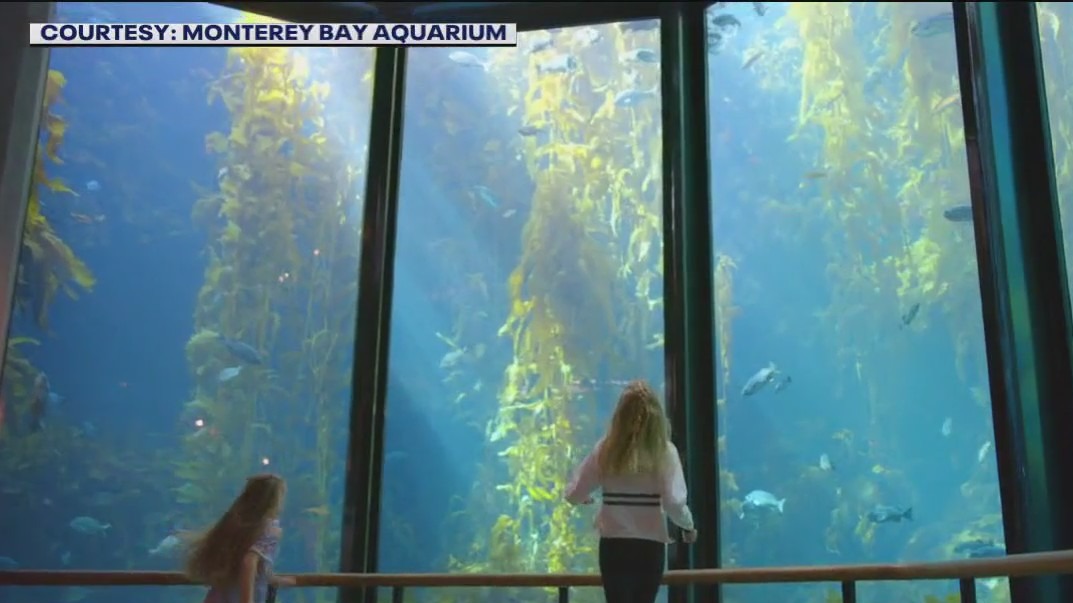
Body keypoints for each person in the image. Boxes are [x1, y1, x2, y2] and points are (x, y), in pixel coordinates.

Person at [565, 380, 696, 603]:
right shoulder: (665, 452)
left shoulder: (606, 449)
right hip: (649, 546)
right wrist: (688, 526)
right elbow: (674, 503)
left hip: (614, 545)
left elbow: (574, 493)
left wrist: (584, 497)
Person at [186, 474, 296, 603]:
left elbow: (252, 567)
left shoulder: (237, 526)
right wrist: (247, 600)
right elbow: (248, 562)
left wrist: (273, 580)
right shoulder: (269, 529)